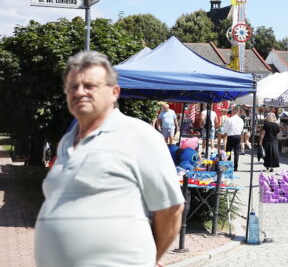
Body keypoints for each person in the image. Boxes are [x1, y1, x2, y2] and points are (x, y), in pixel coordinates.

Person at [34, 51, 184, 267]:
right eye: (72, 87)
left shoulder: (138, 134)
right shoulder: (67, 140)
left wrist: (151, 259)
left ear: (114, 92)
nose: (79, 92)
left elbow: (170, 208)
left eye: (90, 86)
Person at [224, 105, 245, 171]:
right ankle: (236, 167)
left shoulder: (230, 119)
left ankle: (228, 166)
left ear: (233, 112)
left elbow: (225, 129)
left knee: (228, 151)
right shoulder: (241, 120)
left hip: (231, 136)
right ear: (238, 112)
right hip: (238, 136)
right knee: (236, 152)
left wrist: (225, 133)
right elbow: (242, 129)